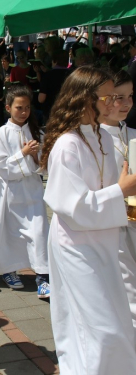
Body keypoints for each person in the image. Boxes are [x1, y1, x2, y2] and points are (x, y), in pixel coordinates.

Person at [41, 66, 136, 374]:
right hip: (76, 245)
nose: (114, 103)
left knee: (115, 323)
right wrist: (120, 191)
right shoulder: (67, 144)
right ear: (86, 99)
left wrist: (124, 196)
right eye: (108, 97)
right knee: (99, 328)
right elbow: (76, 208)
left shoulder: (101, 138)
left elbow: (110, 193)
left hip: (105, 240)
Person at [0, 84, 50, 296]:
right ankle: (9, 270)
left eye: (27, 107)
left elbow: (44, 164)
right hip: (11, 192)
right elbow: (0, 165)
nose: (24, 112)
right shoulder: (1, 133)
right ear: (8, 108)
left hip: (32, 191)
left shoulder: (36, 130)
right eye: (19, 107)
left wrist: (36, 157)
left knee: (39, 232)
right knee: (11, 232)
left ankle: (43, 277)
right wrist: (23, 153)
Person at [99, 69, 136, 330]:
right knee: (126, 282)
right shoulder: (96, 139)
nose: (126, 103)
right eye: (119, 97)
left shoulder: (131, 133)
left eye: (130, 96)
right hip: (112, 222)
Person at [38, 49, 70, 123]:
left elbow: (41, 99)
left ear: (54, 61)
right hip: (68, 112)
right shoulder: (73, 75)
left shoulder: (47, 76)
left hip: (51, 113)